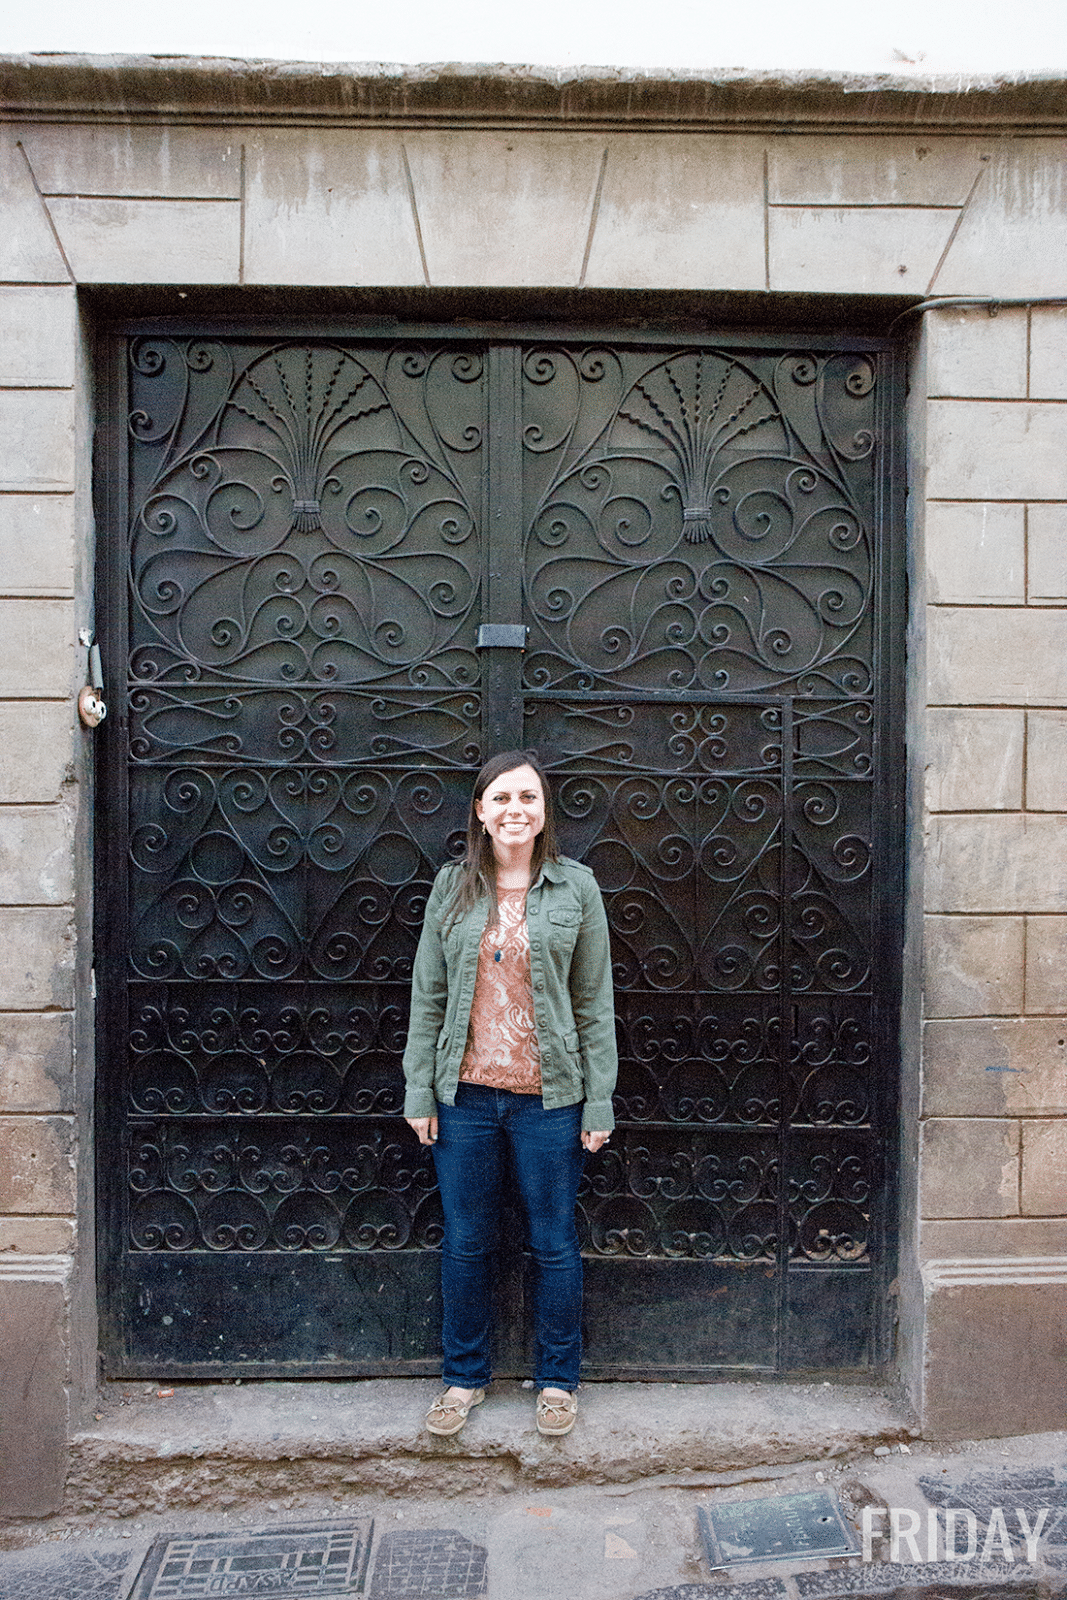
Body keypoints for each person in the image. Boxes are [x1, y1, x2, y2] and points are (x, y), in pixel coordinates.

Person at [403, 749, 618, 1438]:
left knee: (552, 1242)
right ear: (480, 811)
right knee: (466, 1242)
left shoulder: (576, 888)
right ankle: (463, 1379)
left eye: (527, 797)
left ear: (543, 810)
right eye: (500, 798)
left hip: (548, 1099)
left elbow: (592, 1002)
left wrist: (599, 1100)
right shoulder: (452, 887)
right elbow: (428, 995)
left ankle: (557, 1381)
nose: (514, 810)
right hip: (462, 1097)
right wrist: (418, 1092)